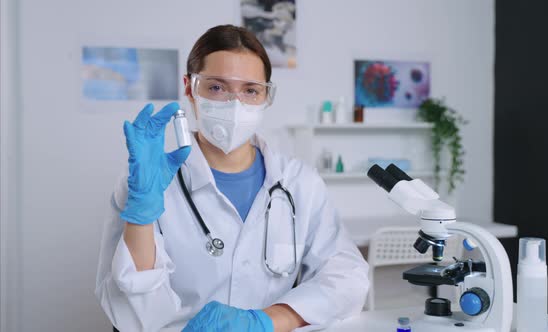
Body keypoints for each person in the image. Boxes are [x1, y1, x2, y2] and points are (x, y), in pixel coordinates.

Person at [95, 24, 369, 332]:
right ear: (189, 88)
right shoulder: (147, 182)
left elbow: (348, 277)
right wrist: (142, 213)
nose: (235, 105)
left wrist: (268, 320)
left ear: (266, 96)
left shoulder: (299, 183)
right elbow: (132, 315)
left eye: (251, 90)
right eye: (216, 87)